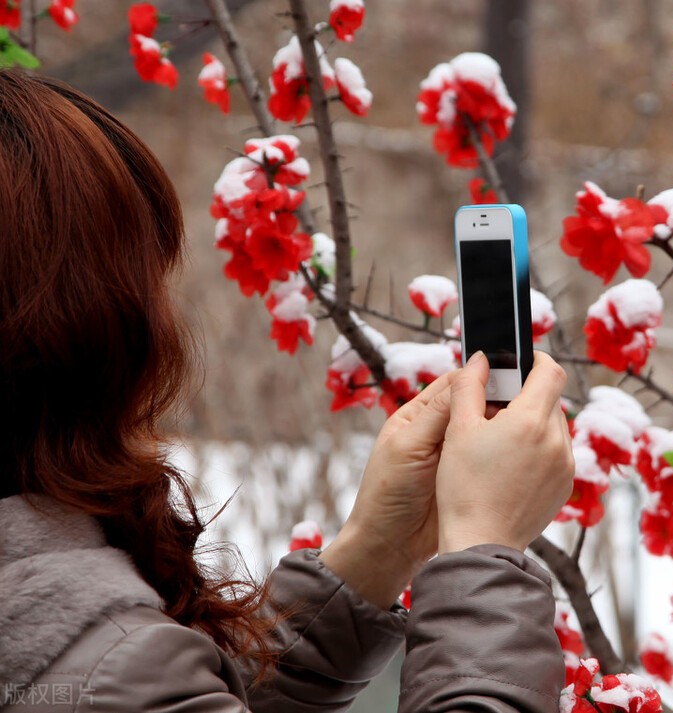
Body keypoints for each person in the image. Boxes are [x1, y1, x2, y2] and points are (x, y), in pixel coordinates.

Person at [0, 70, 575, 712]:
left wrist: (378, 551)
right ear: (84, 328)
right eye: (148, 280)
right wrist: (481, 553)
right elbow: (123, 681)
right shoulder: (105, 664)